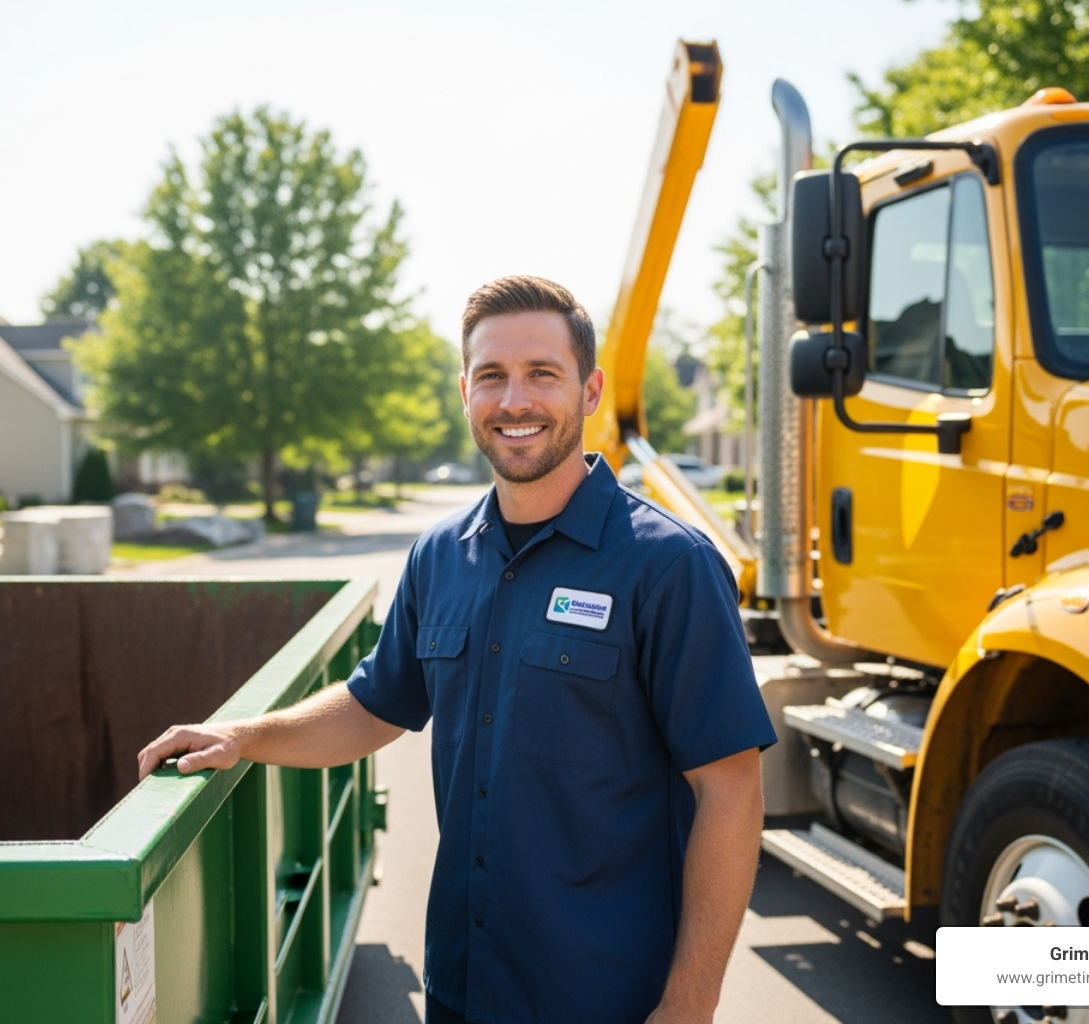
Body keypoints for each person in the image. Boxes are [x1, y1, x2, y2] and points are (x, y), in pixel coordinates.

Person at [138, 275, 776, 1024]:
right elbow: (376, 706)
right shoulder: (441, 555)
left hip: (608, 997)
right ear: (465, 390)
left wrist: (691, 1003)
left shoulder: (668, 565)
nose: (515, 402)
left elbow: (731, 790)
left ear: (592, 390)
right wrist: (244, 736)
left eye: (543, 374)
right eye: (492, 377)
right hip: (463, 987)